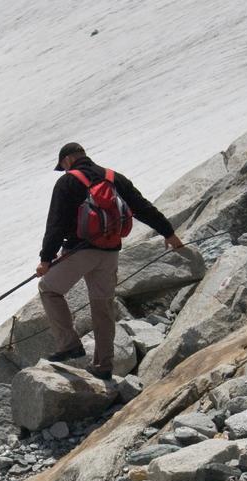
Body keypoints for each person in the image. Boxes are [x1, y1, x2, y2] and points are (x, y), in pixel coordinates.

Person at [37, 142, 184, 380]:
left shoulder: (67, 182)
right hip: (110, 252)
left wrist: (46, 258)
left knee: (48, 289)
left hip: (80, 251)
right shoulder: (113, 177)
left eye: (63, 166)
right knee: (102, 306)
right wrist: (169, 232)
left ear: (67, 161)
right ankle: (104, 365)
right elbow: (142, 207)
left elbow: (56, 223)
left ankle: (69, 344)